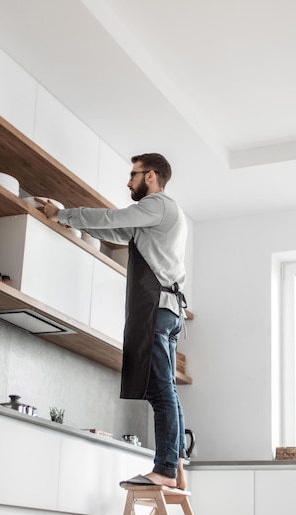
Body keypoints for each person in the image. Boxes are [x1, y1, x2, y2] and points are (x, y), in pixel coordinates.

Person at [39, 153, 188, 490]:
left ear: (150, 176)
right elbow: (118, 231)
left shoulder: (159, 205)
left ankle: (164, 469)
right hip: (169, 309)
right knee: (168, 393)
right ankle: (176, 466)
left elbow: (111, 217)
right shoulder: (157, 217)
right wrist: (68, 219)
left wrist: (62, 213)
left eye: (133, 174)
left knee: (161, 392)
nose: (128, 181)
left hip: (157, 308)